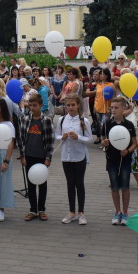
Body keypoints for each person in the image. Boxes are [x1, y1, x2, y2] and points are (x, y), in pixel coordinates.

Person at [57, 94, 92, 225]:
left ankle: (81, 213)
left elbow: (90, 140)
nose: (70, 107)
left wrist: (78, 137)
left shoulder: (84, 121)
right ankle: (71, 212)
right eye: (68, 105)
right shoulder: (61, 120)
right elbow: (56, 135)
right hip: (66, 157)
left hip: (79, 156)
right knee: (70, 184)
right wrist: (62, 137)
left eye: (73, 105)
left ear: (78, 106)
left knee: (79, 183)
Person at [102, 97, 137, 225]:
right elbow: (103, 139)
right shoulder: (107, 123)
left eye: (116, 107)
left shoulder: (129, 125)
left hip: (125, 160)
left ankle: (125, 213)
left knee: (125, 187)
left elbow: (135, 144)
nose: (113, 110)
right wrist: (104, 142)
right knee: (115, 187)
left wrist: (127, 151)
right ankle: (117, 212)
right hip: (111, 160)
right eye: (112, 108)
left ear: (123, 109)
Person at [19, 94, 53, 221]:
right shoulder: (25, 119)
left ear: (41, 105)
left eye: (35, 105)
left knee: (42, 183)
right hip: (29, 156)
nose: (32, 108)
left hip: (41, 156)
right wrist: (22, 155)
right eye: (30, 105)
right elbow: (21, 139)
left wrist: (48, 157)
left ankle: (42, 209)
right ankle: (33, 210)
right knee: (31, 184)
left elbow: (50, 141)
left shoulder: (46, 120)